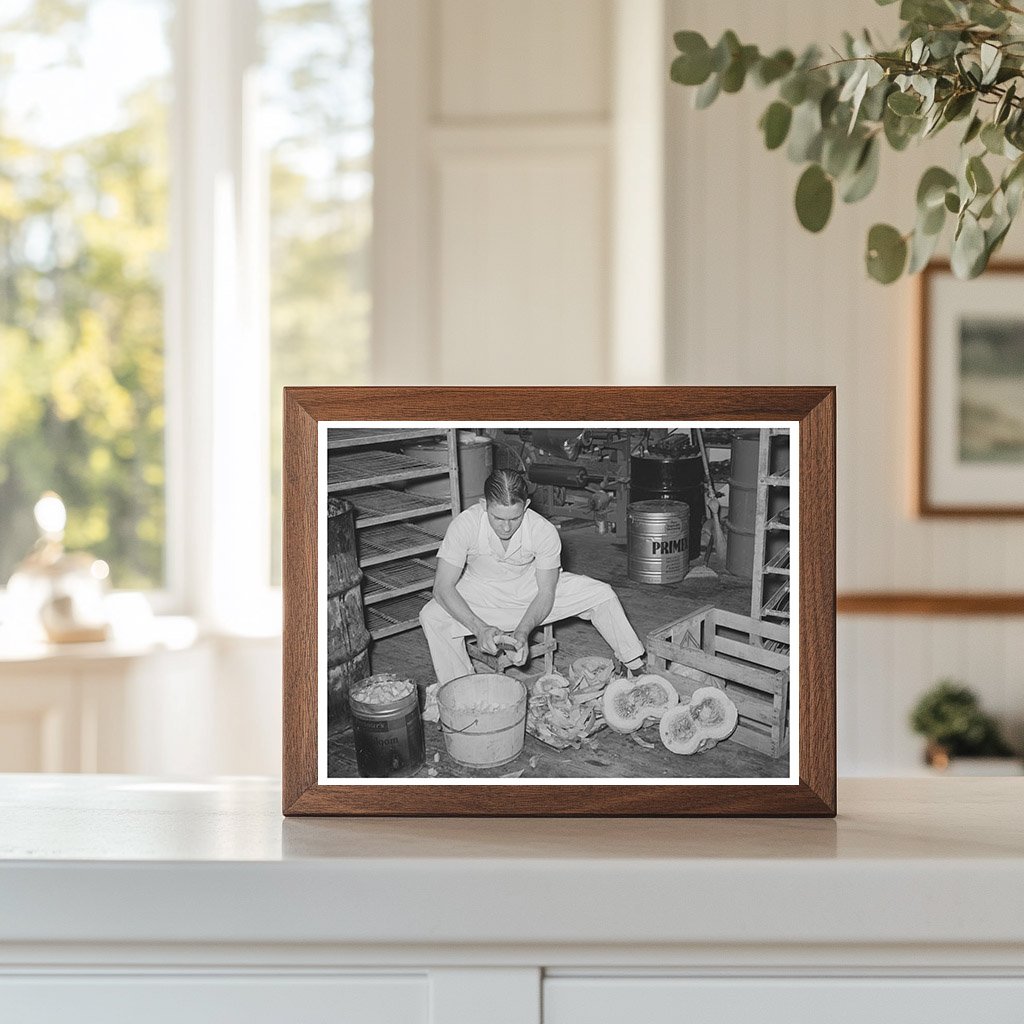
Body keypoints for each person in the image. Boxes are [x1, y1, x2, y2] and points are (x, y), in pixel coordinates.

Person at [419, 468, 646, 684]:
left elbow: (546, 592)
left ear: (526, 505)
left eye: (515, 518)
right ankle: (459, 687)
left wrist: (523, 631)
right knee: (432, 615)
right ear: (483, 505)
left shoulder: (542, 530)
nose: (506, 528)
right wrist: (479, 628)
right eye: (498, 518)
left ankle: (634, 662)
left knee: (601, 594)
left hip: (531, 590)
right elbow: (442, 587)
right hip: (480, 591)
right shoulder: (465, 524)